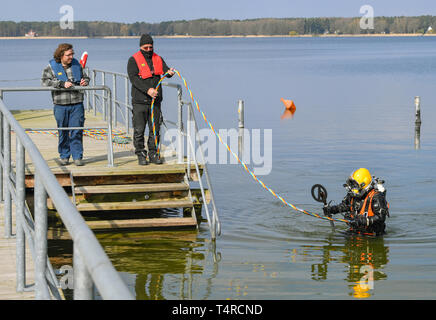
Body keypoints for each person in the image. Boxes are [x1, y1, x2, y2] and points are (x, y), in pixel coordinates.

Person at [127, 33, 175, 165]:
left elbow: (165, 71)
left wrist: (169, 72)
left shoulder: (158, 58)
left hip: (155, 102)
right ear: (141, 47)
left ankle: (154, 153)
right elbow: (134, 79)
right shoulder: (133, 60)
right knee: (139, 130)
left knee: (155, 129)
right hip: (139, 101)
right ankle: (141, 154)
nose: (148, 50)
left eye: (150, 47)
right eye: (146, 47)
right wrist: (148, 90)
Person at [41, 43, 89, 166]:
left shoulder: (77, 65)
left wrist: (85, 82)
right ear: (61, 55)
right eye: (68, 55)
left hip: (77, 104)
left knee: (76, 130)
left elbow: (86, 77)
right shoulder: (51, 67)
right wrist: (61, 84)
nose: (71, 57)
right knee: (63, 131)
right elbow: (45, 82)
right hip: (60, 105)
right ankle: (64, 155)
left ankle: (77, 156)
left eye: (72, 54)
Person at [323, 168, 390, 236]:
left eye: (354, 185)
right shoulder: (353, 195)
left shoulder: (376, 197)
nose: (352, 188)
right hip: (355, 232)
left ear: (363, 184)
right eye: (351, 184)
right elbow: (345, 206)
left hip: (372, 235)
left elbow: (380, 217)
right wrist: (332, 209)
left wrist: (364, 221)